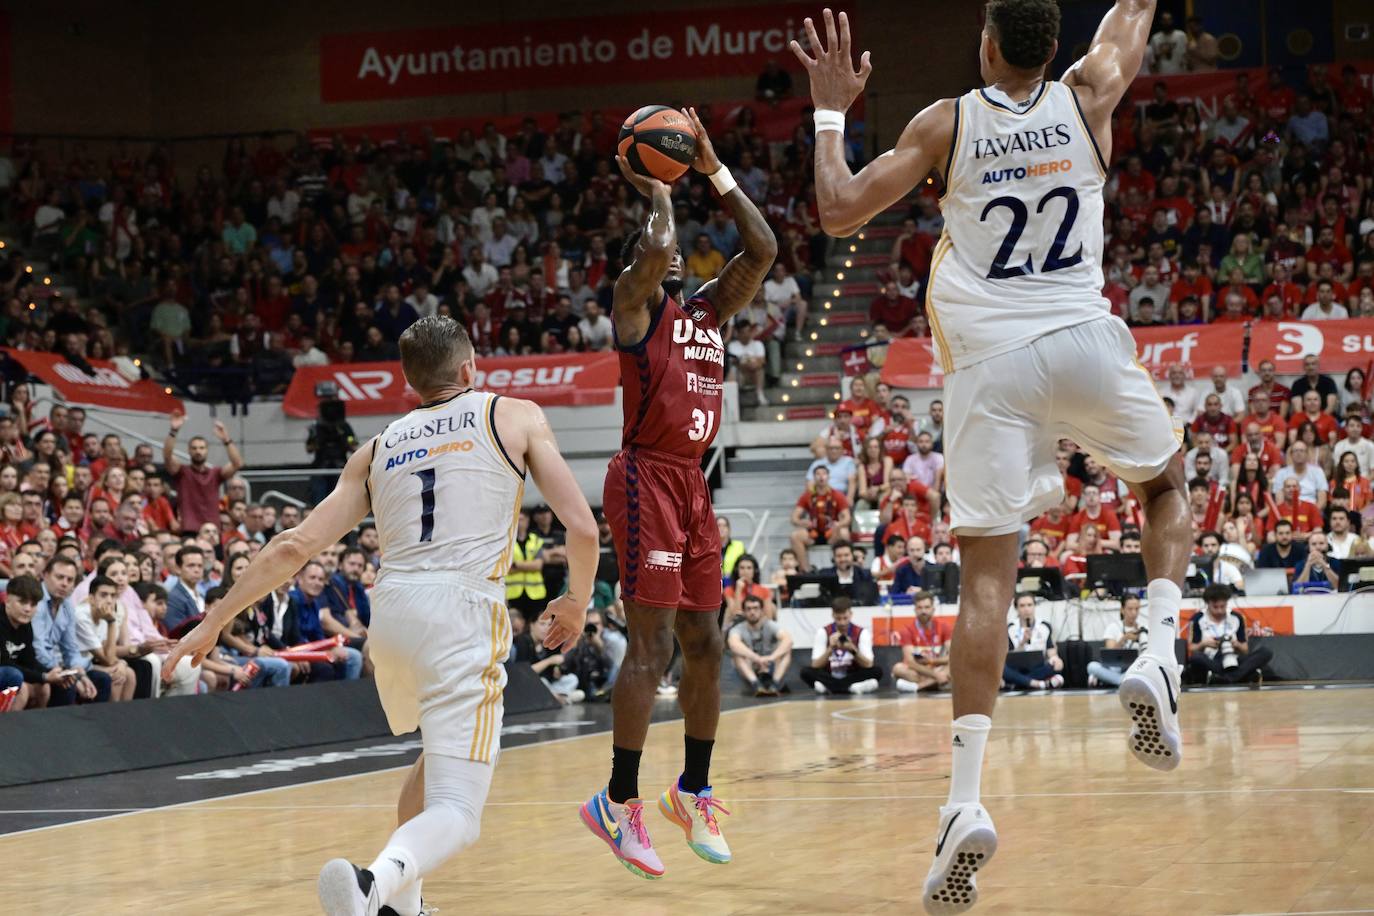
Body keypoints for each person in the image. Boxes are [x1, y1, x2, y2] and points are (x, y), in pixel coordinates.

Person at [795, 3, 1191, 906]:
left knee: (986, 580)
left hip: (987, 364)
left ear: (984, 44)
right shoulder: (1093, 93)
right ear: (1056, 48)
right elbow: (1131, 12)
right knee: (1165, 488)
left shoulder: (947, 120)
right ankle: (1159, 649)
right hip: (1084, 336)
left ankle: (964, 804)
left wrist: (829, 109)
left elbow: (837, 209)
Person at [165, 316, 598, 916]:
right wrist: (576, 600)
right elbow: (582, 525)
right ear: (471, 370)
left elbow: (293, 546)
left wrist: (214, 621)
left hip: (389, 613)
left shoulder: (377, 448)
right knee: (460, 811)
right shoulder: (515, 415)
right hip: (462, 607)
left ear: (408, 382)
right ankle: (372, 885)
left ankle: (407, 907)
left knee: (433, 766)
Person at [585, 110, 775, 879]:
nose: (664, 260)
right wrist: (657, 181)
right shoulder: (636, 308)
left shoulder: (706, 310)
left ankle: (692, 788)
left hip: (694, 484)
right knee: (652, 645)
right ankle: (617, 803)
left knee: (703, 644)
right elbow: (659, 244)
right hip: (644, 478)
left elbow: (762, 249)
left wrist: (715, 168)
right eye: (650, 257)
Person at [163, 417, 245, 535]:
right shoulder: (181, 472)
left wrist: (226, 439)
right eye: (194, 448)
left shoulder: (215, 473)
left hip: (213, 530)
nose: (198, 451)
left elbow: (238, 463)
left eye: (202, 448)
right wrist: (173, 431)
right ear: (189, 451)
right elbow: (167, 456)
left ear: (207, 450)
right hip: (189, 530)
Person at [1186, 585, 1273, 684]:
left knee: (1266, 652)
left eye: (1222, 606)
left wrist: (1236, 644)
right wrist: (1204, 644)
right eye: (1215, 607)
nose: (1219, 610)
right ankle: (1238, 676)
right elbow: (1191, 649)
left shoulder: (1237, 617)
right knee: (1196, 658)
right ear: (1208, 603)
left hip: (1234, 658)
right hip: (1213, 660)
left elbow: (1245, 649)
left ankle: (1227, 678)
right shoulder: (1198, 619)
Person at [799, 596, 880, 694]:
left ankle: (829, 687)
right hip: (830, 674)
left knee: (877, 671)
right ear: (833, 615)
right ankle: (849, 688)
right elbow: (815, 665)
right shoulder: (823, 632)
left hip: (852, 674)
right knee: (805, 672)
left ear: (850, 614)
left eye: (845, 618)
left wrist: (853, 649)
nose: (842, 622)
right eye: (838, 619)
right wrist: (830, 649)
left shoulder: (862, 632)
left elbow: (868, 664)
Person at [725, 594, 793, 696]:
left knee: (786, 651)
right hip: (751, 668)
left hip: (771, 666)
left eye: (755, 608)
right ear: (744, 612)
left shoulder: (769, 625)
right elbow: (733, 644)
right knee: (737, 655)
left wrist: (771, 658)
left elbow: (788, 640)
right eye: (748, 609)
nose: (752, 612)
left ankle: (774, 685)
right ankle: (757, 685)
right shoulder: (738, 628)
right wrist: (757, 658)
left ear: (761, 610)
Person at [891, 591, 951, 692]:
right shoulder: (906, 630)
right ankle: (937, 682)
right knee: (897, 668)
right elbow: (910, 662)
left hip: (939, 668)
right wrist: (935, 675)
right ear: (915, 610)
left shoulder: (945, 627)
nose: (923, 611)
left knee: (954, 666)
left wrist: (931, 661)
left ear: (933, 609)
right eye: (920, 607)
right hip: (920, 671)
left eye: (927, 607)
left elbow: (952, 657)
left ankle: (919, 687)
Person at [1086, 595, 1149, 688]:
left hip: (1135, 668)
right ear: (1122, 610)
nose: (1134, 613)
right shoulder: (1113, 627)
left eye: (1137, 609)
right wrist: (1124, 639)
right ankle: (1121, 680)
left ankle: (1112, 679)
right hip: (1115, 668)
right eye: (1130, 609)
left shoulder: (1144, 629)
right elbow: (1110, 654)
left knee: (1144, 671)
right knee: (1091, 666)